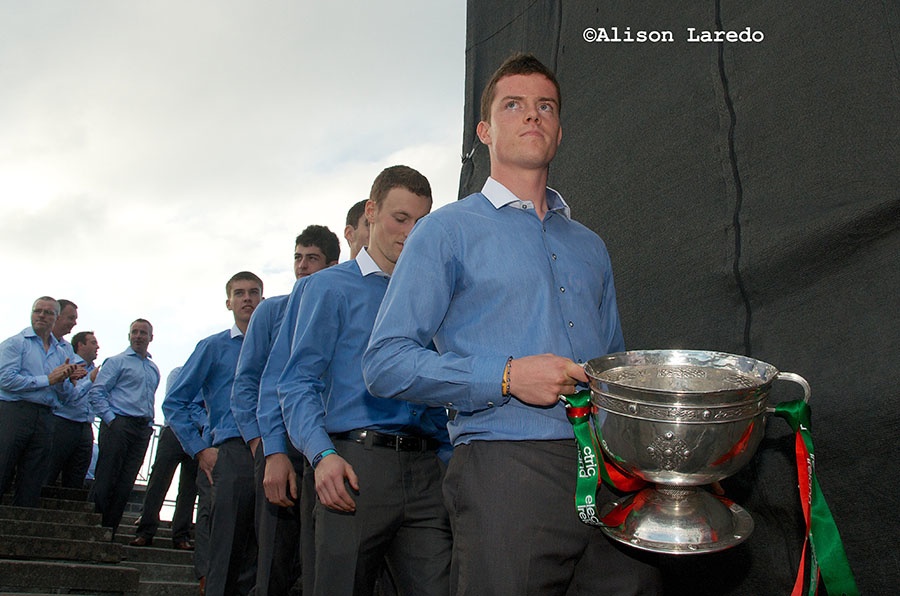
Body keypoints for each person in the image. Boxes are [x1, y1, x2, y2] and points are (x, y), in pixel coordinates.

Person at [363, 54, 663, 595]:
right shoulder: (444, 232)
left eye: (545, 106)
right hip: (505, 469)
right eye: (514, 105)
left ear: (559, 129)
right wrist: (506, 376)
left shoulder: (590, 246)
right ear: (485, 130)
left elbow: (616, 364)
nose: (532, 116)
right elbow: (384, 363)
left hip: (610, 473)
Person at [278, 165, 451, 596]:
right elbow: (298, 383)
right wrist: (321, 455)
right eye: (400, 218)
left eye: (420, 222)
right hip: (354, 468)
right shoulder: (327, 289)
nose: (410, 233)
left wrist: (448, 462)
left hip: (427, 473)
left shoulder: (434, 296)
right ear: (371, 212)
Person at [231, 225, 339, 595]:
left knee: (316, 561)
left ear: (332, 264)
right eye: (298, 257)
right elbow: (249, 382)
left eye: (312, 258)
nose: (303, 266)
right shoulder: (272, 312)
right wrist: (263, 447)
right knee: (274, 558)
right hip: (281, 448)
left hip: (326, 446)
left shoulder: (336, 304)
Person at [164, 271, 263, 596]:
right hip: (231, 452)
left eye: (253, 292)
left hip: (270, 450)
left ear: (262, 298)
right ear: (229, 302)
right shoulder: (213, 347)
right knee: (226, 549)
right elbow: (175, 401)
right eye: (239, 293)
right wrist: (200, 449)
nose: (247, 298)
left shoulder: (274, 345)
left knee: (260, 551)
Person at [0, 297, 81, 506]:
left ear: (56, 318)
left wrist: (63, 381)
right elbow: (5, 379)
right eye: (38, 311)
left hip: (45, 416)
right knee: (3, 465)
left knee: (33, 477)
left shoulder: (63, 352)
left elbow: (66, 396)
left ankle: (22, 525)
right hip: (15, 411)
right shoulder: (16, 343)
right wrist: (49, 379)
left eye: (48, 313)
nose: (42, 316)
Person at [88, 318, 159, 533]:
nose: (138, 336)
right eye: (134, 332)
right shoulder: (117, 362)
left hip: (141, 429)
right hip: (119, 424)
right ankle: (93, 528)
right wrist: (112, 420)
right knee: (106, 478)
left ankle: (110, 530)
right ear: (129, 336)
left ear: (151, 338)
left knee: (125, 483)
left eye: (143, 333)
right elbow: (97, 392)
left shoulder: (153, 368)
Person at [131, 366, 203, 550]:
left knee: (189, 488)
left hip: (197, 436)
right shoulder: (178, 373)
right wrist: (199, 416)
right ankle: (145, 531)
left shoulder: (206, 380)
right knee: (158, 482)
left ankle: (181, 535)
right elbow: (175, 403)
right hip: (174, 432)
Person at [45, 330, 100, 489]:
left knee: (77, 475)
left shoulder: (95, 371)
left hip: (85, 426)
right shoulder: (69, 365)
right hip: (64, 422)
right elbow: (69, 396)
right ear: (80, 345)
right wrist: (90, 381)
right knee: (50, 469)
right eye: (93, 342)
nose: (98, 346)